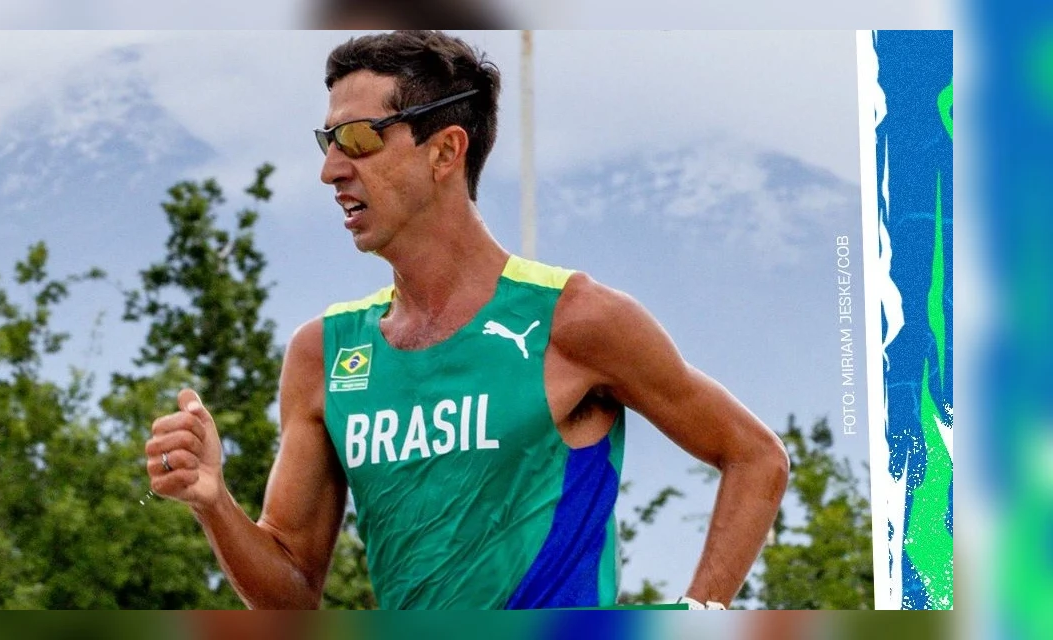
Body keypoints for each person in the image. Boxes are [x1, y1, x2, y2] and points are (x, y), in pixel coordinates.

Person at [145, 30, 789, 610]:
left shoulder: (576, 318)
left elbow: (755, 456)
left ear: (445, 150)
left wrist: (700, 611)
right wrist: (214, 502)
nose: (331, 169)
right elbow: (291, 593)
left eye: (359, 139)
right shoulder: (324, 352)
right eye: (328, 141)